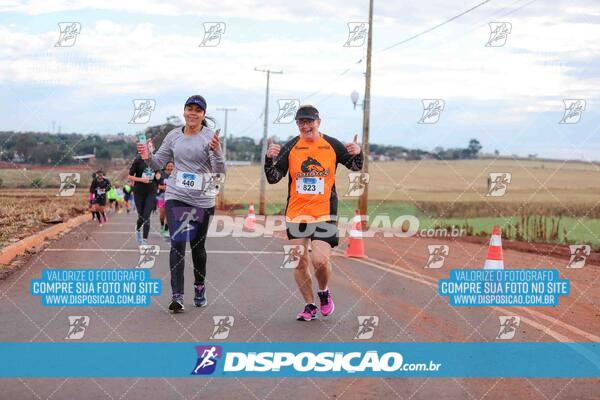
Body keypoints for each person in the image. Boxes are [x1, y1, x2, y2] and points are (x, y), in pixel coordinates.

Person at [264, 104, 363, 321]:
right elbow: (273, 177)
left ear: (318, 122)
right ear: (297, 124)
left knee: (319, 260)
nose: (305, 125)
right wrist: (268, 158)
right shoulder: (291, 147)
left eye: (309, 121)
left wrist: (358, 152)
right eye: (301, 122)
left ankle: (324, 291)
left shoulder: (332, 145)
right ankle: (309, 305)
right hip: (297, 213)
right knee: (299, 260)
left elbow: (355, 167)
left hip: (324, 212)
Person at [137, 95, 225, 312]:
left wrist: (217, 151)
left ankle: (199, 286)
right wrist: (148, 155)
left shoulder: (209, 137)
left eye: (197, 110)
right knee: (177, 241)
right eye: (189, 108)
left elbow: (219, 172)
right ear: (184, 111)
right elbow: (158, 163)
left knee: (197, 247)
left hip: (202, 198)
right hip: (176, 194)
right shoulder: (174, 135)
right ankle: (177, 295)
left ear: (203, 114)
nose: (192, 113)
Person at [128, 154, 159, 245]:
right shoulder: (138, 160)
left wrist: (158, 175)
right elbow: (130, 176)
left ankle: (145, 240)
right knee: (141, 217)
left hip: (151, 191)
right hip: (139, 191)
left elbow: (158, 171)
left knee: (146, 216)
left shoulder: (154, 160)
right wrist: (141, 179)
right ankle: (137, 230)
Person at [157, 161, 174, 237]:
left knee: (169, 213)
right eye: (169, 166)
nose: (170, 168)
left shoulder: (176, 175)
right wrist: (161, 187)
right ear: (166, 166)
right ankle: (161, 225)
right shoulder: (161, 174)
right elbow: (155, 184)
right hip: (161, 196)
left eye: (172, 166)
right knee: (162, 214)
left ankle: (166, 229)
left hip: (171, 196)